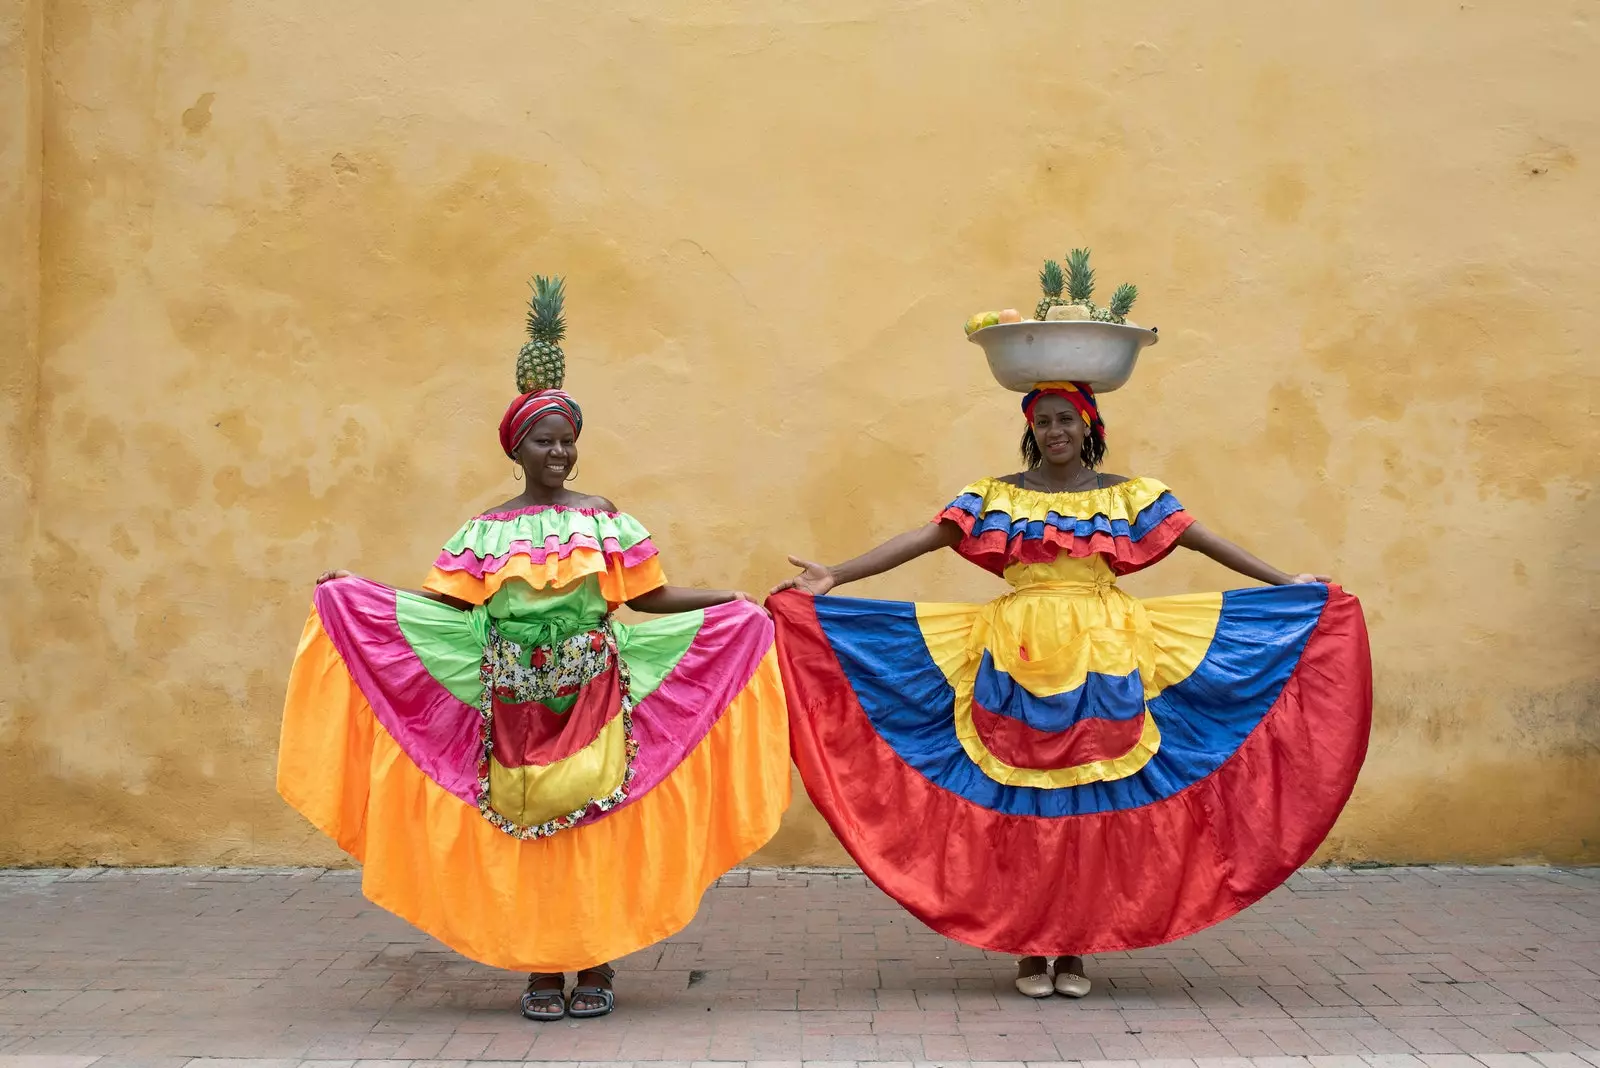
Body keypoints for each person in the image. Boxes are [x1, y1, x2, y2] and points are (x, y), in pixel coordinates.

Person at [768, 382, 1371, 999]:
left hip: (1107, 654)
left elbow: (1202, 539)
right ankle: (1030, 949)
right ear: (1032, 430)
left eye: (1067, 420)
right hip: (1015, 655)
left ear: (1088, 426)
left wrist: (1283, 583)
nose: (1056, 431)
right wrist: (836, 575)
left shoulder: (1129, 495)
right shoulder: (997, 497)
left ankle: (1076, 949)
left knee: (1087, 805)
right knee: (1024, 805)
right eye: (1044, 422)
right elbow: (924, 539)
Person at [279, 386, 790, 1020]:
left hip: (597, 696)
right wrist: (358, 591)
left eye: (567, 440)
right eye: (544, 441)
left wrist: (728, 600)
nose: (558, 451)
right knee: (530, 835)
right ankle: (543, 969)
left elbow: (648, 599)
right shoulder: (484, 531)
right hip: (512, 704)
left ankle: (597, 960)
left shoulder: (602, 518)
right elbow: (445, 607)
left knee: (596, 825)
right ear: (516, 449)